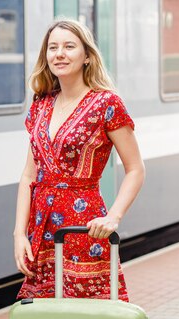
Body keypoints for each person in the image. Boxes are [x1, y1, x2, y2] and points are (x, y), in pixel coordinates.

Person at [13, 19, 145, 301]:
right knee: (46, 318)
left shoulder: (107, 104)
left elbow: (135, 168)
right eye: (53, 47)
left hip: (84, 228)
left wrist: (113, 217)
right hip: (41, 229)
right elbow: (28, 175)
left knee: (89, 317)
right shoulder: (41, 104)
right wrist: (19, 234)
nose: (59, 53)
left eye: (69, 46)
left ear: (87, 56)